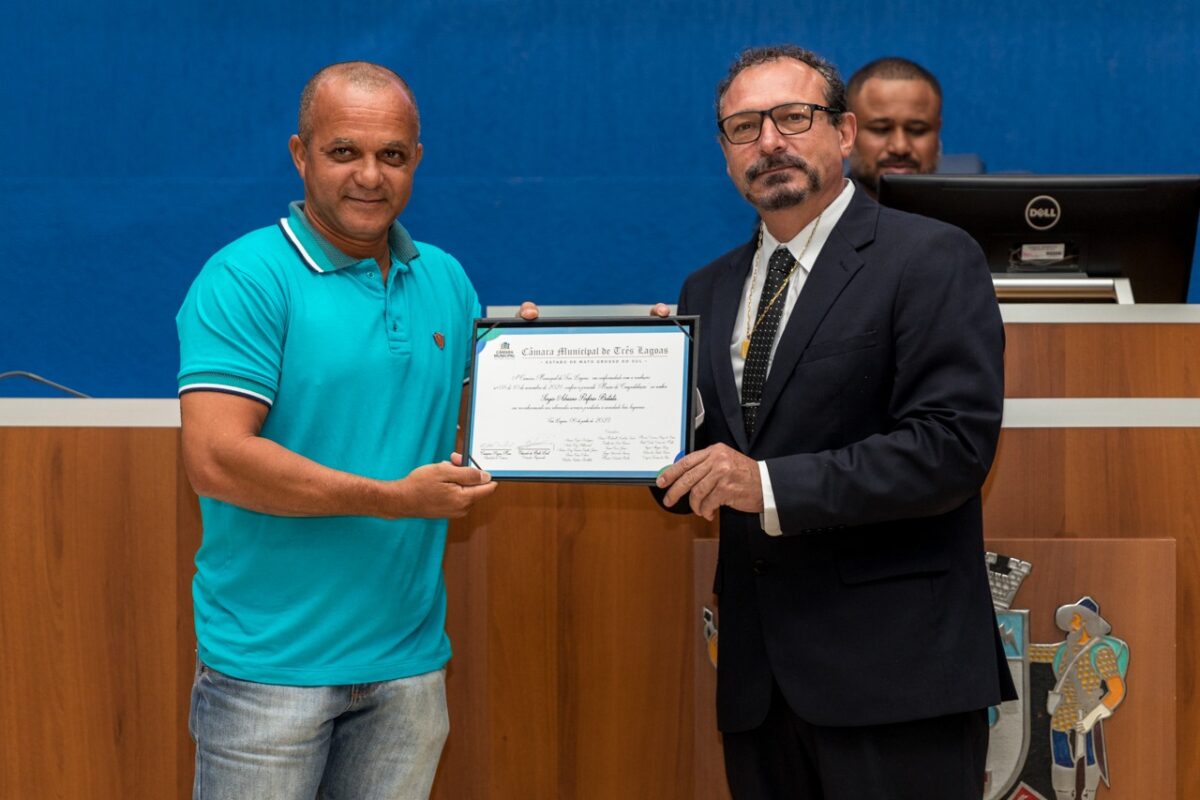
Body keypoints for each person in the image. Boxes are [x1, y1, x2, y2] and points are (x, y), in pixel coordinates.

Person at [654, 45, 1016, 798]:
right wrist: (618, 395)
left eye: (793, 117)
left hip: (898, 680)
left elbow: (949, 448)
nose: (770, 142)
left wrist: (767, 486)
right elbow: (701, 470)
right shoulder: (708, 288)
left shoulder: (931, 258)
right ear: (724, 153)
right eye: (744, 127)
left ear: (844, 133)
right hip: (759, 686)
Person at [176, 61, 533, 799]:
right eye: (344, 152)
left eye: (392, 156)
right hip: (268, 675)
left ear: (417, 162)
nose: (370, 176)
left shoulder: (447, 280)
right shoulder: (245, 278)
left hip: (408, 671)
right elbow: (217, 459)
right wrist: (392, 498)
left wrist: (580, 359)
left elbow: (495, 426)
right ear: (301, 155)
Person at [1030, 597, 1128, 800]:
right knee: (1062, 769)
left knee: (1088, 774)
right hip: (1061, 717)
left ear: (1086, 623)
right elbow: (1033, 652)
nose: (1070, 624)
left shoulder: (1100, 653)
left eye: (1074, 619)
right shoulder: (1063, 650)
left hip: (1088, 714)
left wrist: (1092, 718)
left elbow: (1117, 690)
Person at [846, 56, 942, 198]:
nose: (900, 147)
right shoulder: (817, 217)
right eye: (881, 129)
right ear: (846, 133)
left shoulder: (966, 219)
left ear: (937, 130)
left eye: (917, 130)